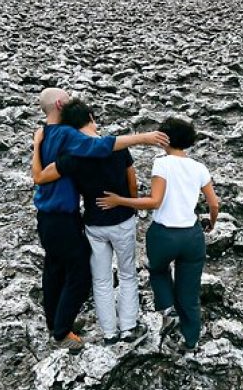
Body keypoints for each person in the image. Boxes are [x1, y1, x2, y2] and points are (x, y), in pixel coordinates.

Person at [31, 88, 167, 354]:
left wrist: (36, 146)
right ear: (60, 103)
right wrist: (144, 138)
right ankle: (64, 331)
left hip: (58, 218)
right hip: (71, 218)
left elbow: (40, 176)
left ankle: (69, 326)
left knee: (57, 269)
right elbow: (101, 147)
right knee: (84, 273)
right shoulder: (71, 137)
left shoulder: (46, 135)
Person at [97, 116, 219, 352]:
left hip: (164, 234)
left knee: (158, 270)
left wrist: (119, 200)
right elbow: (214, 204)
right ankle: (191, 342)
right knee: (190, 291)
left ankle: (167, 308)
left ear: (165, 139)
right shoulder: (199, 168)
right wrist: (210, 223)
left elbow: (154, 201)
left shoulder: (162, 163)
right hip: (192, 236)